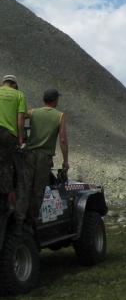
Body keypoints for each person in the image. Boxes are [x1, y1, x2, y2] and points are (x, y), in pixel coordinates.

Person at [21, 88, 68, 222]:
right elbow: (63, 140)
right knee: (38, 191)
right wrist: (65, 161)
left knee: (25, 187)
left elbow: (18, 116)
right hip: (44, 158)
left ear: (44, 100)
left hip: (28, 155)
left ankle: (19, 218)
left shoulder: (32, 112)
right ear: (55, 100)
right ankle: (31, 221)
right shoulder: (60, 116)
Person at [0, 75, 27, 215]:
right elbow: (21, 117)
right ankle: (7, 195)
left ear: (3, 83)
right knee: (7, 164)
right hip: (7, 135)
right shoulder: (19, 95)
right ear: (15, 85)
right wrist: (20, 139)